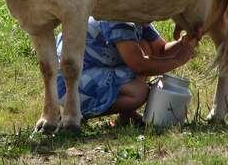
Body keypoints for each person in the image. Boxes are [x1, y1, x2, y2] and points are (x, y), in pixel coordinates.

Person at [56, 17, 198, 126]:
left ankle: (127, 115)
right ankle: (76, 112)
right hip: (71, 82)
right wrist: (177, 60)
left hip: (91, 71)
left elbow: (160, 50)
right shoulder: (117, 18)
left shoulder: (135, 17)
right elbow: (139, 65)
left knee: (144, 46)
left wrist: (182, 43)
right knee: (138, 92)